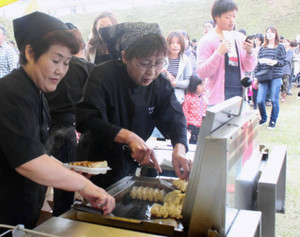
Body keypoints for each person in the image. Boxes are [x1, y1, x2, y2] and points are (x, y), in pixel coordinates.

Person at [0, 12, 115, 232]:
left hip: (21, 215)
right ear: (30, 52)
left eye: (66, 62)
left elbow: (39, 151)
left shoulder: (37, 93)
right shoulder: (11, 93)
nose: (61, 70)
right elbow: (30, 161)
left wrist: (67, 172)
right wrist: (85, 185)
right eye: (55, 60)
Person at [76, 22, 192, 189]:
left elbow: (175, 118)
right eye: (144, 64)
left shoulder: (160, 84)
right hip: (97, 161)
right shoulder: (103, 75)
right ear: (125, 57)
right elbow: (86, 119)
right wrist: (129, 137)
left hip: (132, 159)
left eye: (159, 63)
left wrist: (179, 149)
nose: (152, 72)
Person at [44, 23, 95, 217]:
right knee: (65, 183)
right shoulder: (87, 68)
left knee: (58, 181)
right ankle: (60, 220)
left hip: (48, 126)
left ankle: (58, 218)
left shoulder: (54, 66)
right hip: (66, 130)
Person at [196, 0, 257, 106]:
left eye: (234, 16)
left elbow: (249, 67)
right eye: (228, 17)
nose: (232, 21)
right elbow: (202, 73)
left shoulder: (239, 38)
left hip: (240, 98)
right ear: (216, 17)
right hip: (217, 101)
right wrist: (218, 53)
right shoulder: (207, 40)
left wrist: (249, 52)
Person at [255, 26, 286, 129]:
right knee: (260, 100)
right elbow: (258, 63)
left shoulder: (280, 47)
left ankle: (272, 121)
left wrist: (275, 62)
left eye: (271, 32)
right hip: (263, 76)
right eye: (267, 32)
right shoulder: (262, 48)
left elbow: (284, 61)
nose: (269, 34)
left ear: (275, 34)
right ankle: (263, 118)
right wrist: (256, 77)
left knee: (274, 99)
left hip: (275, 75)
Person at [163, 30, 192, 104]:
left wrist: (176, 83)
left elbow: (188, 81)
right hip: (160, 97)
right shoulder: (161, 58)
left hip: (177, 99)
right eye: (172, 43)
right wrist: (162, 72)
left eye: (178, 43)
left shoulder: (185, 60)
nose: (175, 45)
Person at [182, 75, 207, 144]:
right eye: (201, 85)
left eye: (204, 84)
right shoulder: (188, 97)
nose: (203, 87)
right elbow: (185, 113)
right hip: (192, 127)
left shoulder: (204, 97)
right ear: (194, 85)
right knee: (192, 144)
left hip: (202, 126)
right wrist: (185, 127)